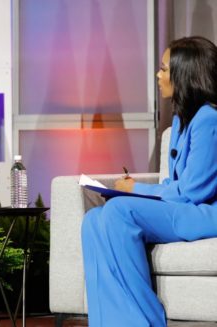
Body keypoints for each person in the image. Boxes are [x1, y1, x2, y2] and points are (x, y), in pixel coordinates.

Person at [81, 36, 217, 326]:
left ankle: (145, 320)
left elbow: (193, 191)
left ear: (185, 74)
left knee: (120, 211)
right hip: (185, 209)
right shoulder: (180, 122)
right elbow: (175, 187)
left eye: (165, 68)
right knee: (93, 220)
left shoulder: (209, 120)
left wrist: (135, 190)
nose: (158, 74)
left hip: (206, 213)